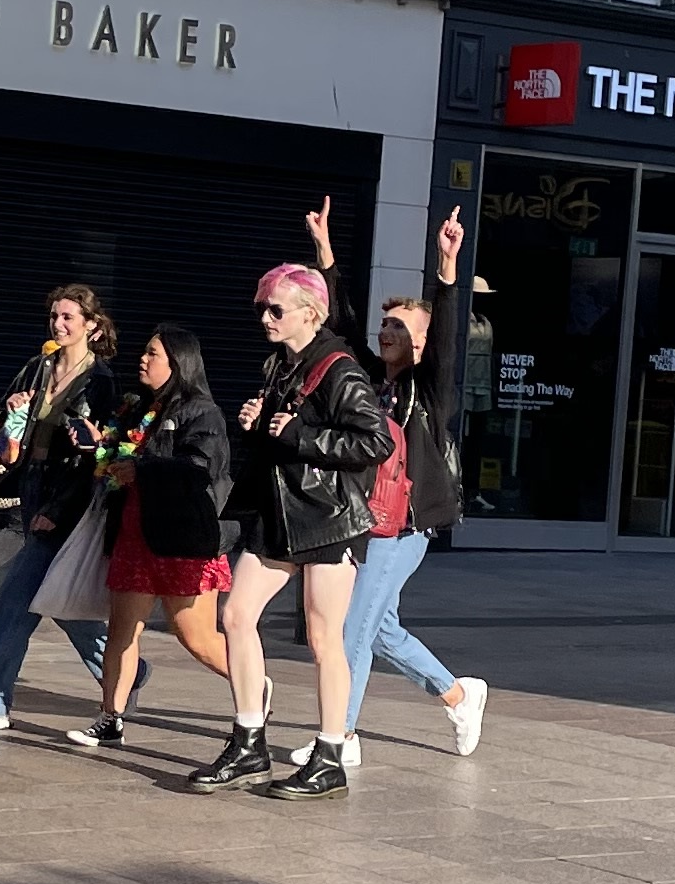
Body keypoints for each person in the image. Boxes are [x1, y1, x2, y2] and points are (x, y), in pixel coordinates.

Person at [180, 262, 393, 801]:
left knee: (324, 639)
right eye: (261, 308)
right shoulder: (281, 365)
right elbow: (281, 441)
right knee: (236, 616)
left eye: (276, 309)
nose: (265, 318)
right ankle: (248, 740)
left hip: (328, 519)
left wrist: (301, 434)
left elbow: (375, 442)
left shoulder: (340, 369)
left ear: (310, 313)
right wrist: (258, 424)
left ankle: (330, 754)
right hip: (279, 514)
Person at [307, 199, 488, 768]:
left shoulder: (429, 388)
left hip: (405, 526)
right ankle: (459, 696)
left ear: (422, 342)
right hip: (367, 520)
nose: (388, 332)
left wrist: (447, 268)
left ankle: (341, 736)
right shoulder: (370, 380)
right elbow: (339, 323)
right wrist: (325, 252)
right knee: (381, 629)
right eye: (385, 324)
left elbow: (448, 335)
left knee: (352, 629)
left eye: (401, 327)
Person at [0, 286, 125, 736]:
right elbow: (7, 430)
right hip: (29, 486)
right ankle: (126, 670)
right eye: (54, 316)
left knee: (13, 603)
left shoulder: (100, 381)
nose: (59, 324)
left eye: (68, 317)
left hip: (67, 499)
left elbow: (95, 456)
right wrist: (11, 415)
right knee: (59, 600)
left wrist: (59, 509)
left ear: (91, 326)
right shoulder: (38, 367)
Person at [78, 325, 234, 753]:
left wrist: (142, 469)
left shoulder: (202, 412)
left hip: (181, 538)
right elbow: (118, 456)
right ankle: (110, 717)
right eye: (144, 352)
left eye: (153, 354)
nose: (142, 360)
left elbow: (200, 466)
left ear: (178, 363)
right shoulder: (137, 409)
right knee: (122, 630)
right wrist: (100, 447)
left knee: (196, 637)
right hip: (134, 533)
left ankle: (254, 687)